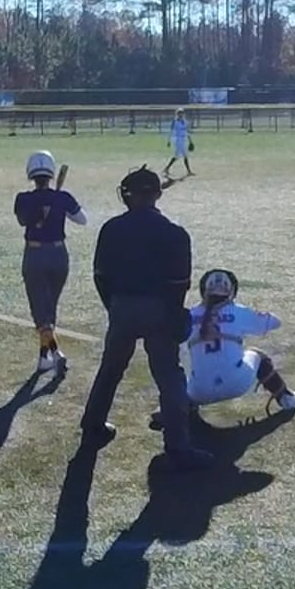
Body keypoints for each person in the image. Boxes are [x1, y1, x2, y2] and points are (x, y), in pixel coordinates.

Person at [82, 167, 212, 469]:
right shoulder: (175, 233)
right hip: (160, 308)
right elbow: (180, 282)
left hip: (122, 306)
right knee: (169, 376)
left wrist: (114, 307)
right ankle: (178, 447)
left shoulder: (112, 229)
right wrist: (172, 313)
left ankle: (93, 424)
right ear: (157, 194)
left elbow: (100, 276)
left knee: (111, 369)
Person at [158, 269, 295, 425]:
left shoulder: (189, 315)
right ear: (231, 291)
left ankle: (169, 411)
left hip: (200, 391)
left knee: (181, 376)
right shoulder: (239, 311)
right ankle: (286, 399)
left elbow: (169, 339)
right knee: (257, 355)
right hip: (237, 384)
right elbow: (276, 322)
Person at [16, 151, 86, 376]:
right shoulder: (62, 197)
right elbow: (82, 220)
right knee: (49, 308)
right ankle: (43, 358)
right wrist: (58, 203)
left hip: (35, 255)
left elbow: (23, 220)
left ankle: (56, 353)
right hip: (59, 256)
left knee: (41, 312)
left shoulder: (23, 199)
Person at [164, 109, 194, 178]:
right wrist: (168, 141)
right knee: (177, 156)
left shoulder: (185, 122)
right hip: (177, 140)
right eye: (179, 113)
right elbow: (171, 131)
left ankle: (188, 171)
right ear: (177, 114)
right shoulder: (175, 122)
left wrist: (190, 141)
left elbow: (187, 132)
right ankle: (167, 168)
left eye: (182, 113)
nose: (181, 115)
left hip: (184, 140)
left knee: (185, 155)